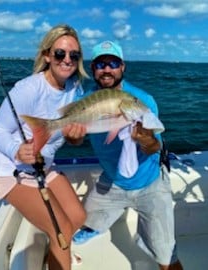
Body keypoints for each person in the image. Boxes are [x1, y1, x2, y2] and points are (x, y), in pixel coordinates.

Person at [72, 41, 183, 270]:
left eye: (113, 63)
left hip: (149, 182)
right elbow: (76, 140)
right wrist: (73, 136)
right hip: (113, 180)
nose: (106, 69)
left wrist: (145, 139)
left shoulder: (141, 100)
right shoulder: (83, 102)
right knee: (82, 222)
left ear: (122, 67)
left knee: (166, 256)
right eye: (100, 64)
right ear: (93, 69)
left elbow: (155, 147)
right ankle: (96, 226)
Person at [0, 24, 88, 270]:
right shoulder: (28, 89)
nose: (67, 60)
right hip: (14, 173)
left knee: (78, 217)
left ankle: (53, 257)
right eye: (60, 54)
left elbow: (74, 138)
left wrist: (76, 137)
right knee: (61, 232)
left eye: (74, 55)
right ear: (47, 55)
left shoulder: (76, 89)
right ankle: (58, 249)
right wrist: (17, 149)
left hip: (44, 167)